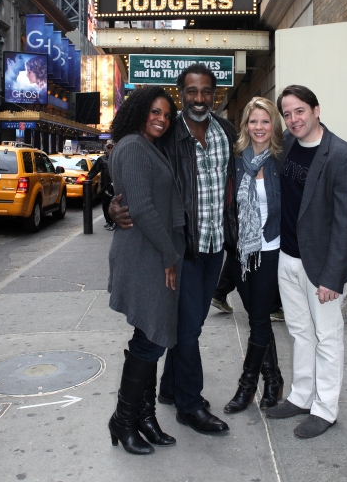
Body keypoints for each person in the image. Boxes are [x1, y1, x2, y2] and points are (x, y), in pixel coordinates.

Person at [110, 63, 237, 435]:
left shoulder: (226, 132)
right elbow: (133, 181)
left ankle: (168, 388)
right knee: (188, 330)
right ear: (183, 93)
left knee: (191, 323)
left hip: (215, 247)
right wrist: (112, 207)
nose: (200, 98)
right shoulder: (163, 134)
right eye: (192, 91)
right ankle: (189, 404)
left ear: (214, 94)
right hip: (181, 249)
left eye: (207, 92)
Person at [266, 85, 347, 439]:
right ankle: (301, 396)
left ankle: (325, 409)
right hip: (287, 258)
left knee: (327, 337)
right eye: (287, 114)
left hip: (322, 267)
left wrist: (332, 277)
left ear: (316, 110)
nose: (293, 119)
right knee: (300, 333)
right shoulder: (289, 146)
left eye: (299, 111)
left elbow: (346, 222)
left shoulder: (342, 155)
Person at [107, 86, 185, 456]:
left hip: (152, 252)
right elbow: (141, 208)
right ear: (140, 111)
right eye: (155, 111)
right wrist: (170, 256)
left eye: (167, 115)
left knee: (150, 334)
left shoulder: (145, 147)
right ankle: (123, 421)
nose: (162, 119)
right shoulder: (133, 147)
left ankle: (146, 418)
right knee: (151, 339)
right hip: (145, 255)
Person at [222, 97, 284, 415]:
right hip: (241, 253)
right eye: (253, 121)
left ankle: (247, 386)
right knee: (257, 319)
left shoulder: (281, 160)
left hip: (270, 250)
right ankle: (273, 380)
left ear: (273, 124)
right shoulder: (234, 160)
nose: (259, 127)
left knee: (258, 319)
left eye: (265, 121)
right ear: (246, 124)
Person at [87, 141, 115, 231]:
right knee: (105, 204)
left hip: (116, 185)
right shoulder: (102, 159)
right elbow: (94, 171)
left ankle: (113, 222)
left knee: (114, 203)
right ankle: (108, 221)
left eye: (112, 147)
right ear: (106, 149)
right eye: (109, 147)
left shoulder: (118, 158)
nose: (110, 149)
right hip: (105, 185)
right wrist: (88, 179)